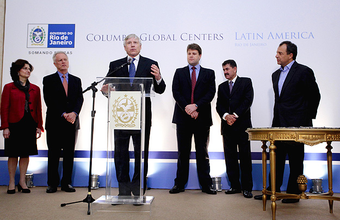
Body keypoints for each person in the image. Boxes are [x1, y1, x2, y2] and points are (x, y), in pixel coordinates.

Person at [254, 41, 320, 203]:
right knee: (275, 158)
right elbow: (280, 101)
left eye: (280, 53)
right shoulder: (275, 75)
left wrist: (305, 121)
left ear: (290, 55)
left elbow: (314, 96)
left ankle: (293, 193)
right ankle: (273, 190)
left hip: (297, 126)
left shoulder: (304, 71)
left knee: (296, 160)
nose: (276, 55)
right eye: (277, 53)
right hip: (278, 125)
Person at [101, 34, 166, 196]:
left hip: (142, 115)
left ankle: (137, 188)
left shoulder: (150, 64)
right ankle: (123, 189)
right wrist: (106, 90)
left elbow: (160, 89)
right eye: (128, 43)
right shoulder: (116, 64)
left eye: (135, 42)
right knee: (120, 153)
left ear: (140, 46)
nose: (132, 45)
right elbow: (106, 87)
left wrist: (158, 77)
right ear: (124, 47)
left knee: (140, 152)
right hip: (121, 115)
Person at [169, 43, 216, 195]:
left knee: (203, 153)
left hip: (201, 118)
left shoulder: (209, 73)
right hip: (183, 118)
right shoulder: (179, 72)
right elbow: (176, 92)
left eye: (194, 53)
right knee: (183, 152)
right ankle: (179, 184)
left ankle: (206, 185)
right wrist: (188, 109)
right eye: (189, 53)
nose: (191, 55)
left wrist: (196, 106)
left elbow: (210, 93)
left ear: (200, 55)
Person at [0, 59, 43, 194]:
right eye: (25, 68)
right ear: (18, 71)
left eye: (29, 69)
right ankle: (12, 181)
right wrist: (5, 126)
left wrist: (39, 126)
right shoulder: (9, 87)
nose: (28, 71)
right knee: (12, 154)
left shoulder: (35, 88)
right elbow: (4, 108)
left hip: (29, 124)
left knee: (25, 154)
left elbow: (38, 109)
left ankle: (22, 181)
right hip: (14, 124)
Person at [43, 52, 84, 193]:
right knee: (53, 153)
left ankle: (66, 183)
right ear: (55, 64)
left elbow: (80, 99)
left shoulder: (76, 80)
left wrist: (74, 113)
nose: (63, 62)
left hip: (71, 122)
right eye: (60, 60)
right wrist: (63, 113)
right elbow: (49, 100)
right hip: (55, 122)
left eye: (65, 59)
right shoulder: (48, 80)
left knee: (69, 154)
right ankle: (52, 184)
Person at [216, 59, 254, 198]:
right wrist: (226, 116)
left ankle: (247, 188)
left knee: (245, 157)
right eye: (224, 70)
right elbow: (219, 105)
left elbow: (247, 101)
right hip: (227, 127)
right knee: (230, 158)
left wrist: (235, 116)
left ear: (235, 69)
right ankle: (234, 186)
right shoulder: (221, 87)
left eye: (227, 69)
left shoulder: (246, 82)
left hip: (242, 126)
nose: (225, 72)